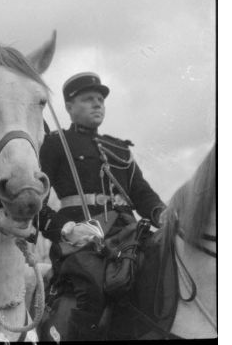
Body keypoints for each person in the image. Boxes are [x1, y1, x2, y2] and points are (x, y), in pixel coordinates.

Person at [39, 72, 166, 341]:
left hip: (128, 231)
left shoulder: (118, 148)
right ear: (69, 108)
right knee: (95, 285)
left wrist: (161, 213)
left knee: (167, 268)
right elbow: (35, 200)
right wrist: (63, 230)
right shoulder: (54, 143)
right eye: (88, 99)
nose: (97, 104)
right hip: (82, 237)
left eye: (100, 99)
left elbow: (142, 193)